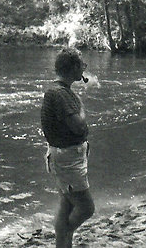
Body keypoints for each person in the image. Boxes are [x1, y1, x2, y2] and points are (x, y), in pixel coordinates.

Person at [41, 48, 94, 248]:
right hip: (67, 159)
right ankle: (65, 232)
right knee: (86, 208)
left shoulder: (61, 92)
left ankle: (63, 244)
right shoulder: (59, 94)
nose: (84, 69)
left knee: (67, 204)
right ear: (73, 68)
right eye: (82, 65)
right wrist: (81, 106)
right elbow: (78, 125)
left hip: (66, 157)